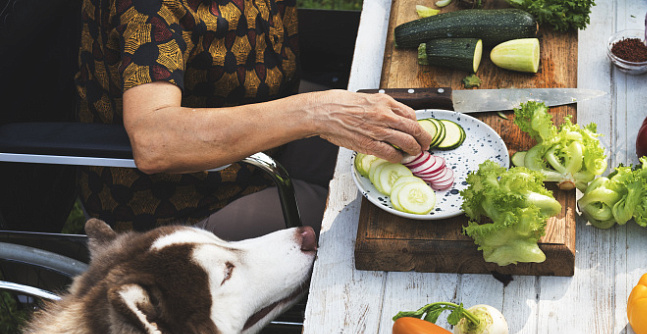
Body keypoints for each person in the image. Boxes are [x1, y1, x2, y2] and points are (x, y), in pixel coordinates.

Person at [75, 0, 431, 240]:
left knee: (403, 156)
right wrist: (317, 113)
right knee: (359, 215)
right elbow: (154, 140)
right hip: (185, 198)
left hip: (265, 125)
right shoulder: (150, 9)